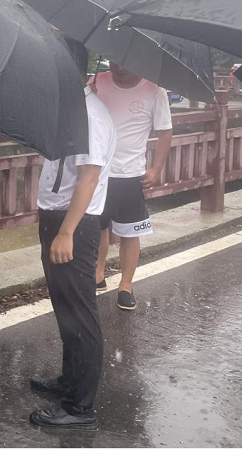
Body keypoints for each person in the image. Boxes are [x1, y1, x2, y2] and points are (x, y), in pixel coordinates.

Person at [29, 40, 116, 431]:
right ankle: (69, 380)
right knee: (65, 306)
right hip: (58, 218)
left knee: (80, 311)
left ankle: (80, 408)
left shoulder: (91, 115)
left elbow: (89, 177)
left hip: (74, 223)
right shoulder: (72, 109)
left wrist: (66, 231)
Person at [91, 62, 173, 310]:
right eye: (115, 60)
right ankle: (98, 272)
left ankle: (126, 285)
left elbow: (165, 131)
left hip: (130, 173)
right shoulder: (96, 82)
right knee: (98, 225)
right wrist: (88, 96)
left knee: (130, 231)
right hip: (96, 170)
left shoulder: (155, 90)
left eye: (126, 63)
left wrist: (156, 168)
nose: (119, 67)